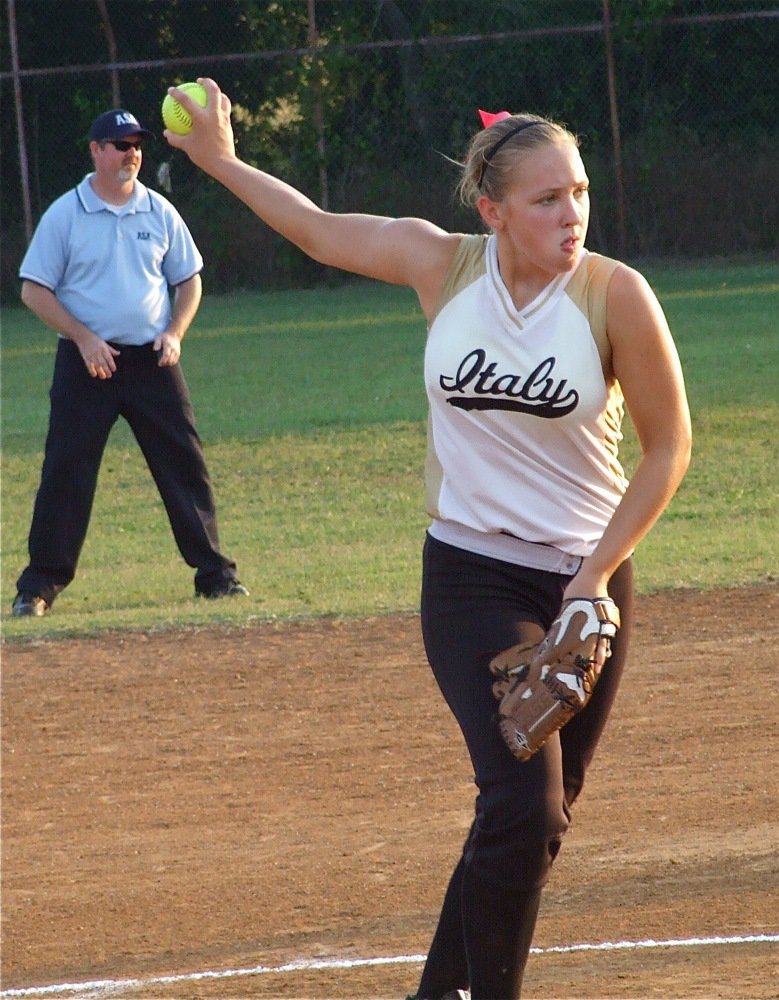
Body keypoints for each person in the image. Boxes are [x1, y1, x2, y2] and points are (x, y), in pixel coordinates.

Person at [165, 81, 691, 999]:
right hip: (470, 578)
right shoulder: (440, 265)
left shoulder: (615, 295)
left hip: (585, 585)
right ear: (492, 210)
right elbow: (319, 228)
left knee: (542, 816)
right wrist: (218, 160)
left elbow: (667, 449)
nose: (572, 214)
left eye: (578, 192)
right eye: (545, 198)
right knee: (521, 803)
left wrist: (594, 578)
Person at [11, 107, 248, 618]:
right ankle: (39, 586)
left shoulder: (158, 210)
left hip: (152, 361)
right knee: (67, 470)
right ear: (96, 151)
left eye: (137, 145)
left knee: (185, 467)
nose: (131, 154)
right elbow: (34, 289)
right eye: (120, 145)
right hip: (86, 363)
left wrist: (175, 333)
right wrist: (84, 337)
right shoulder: (66, 214)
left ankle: (215, 576)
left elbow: (188, 280)